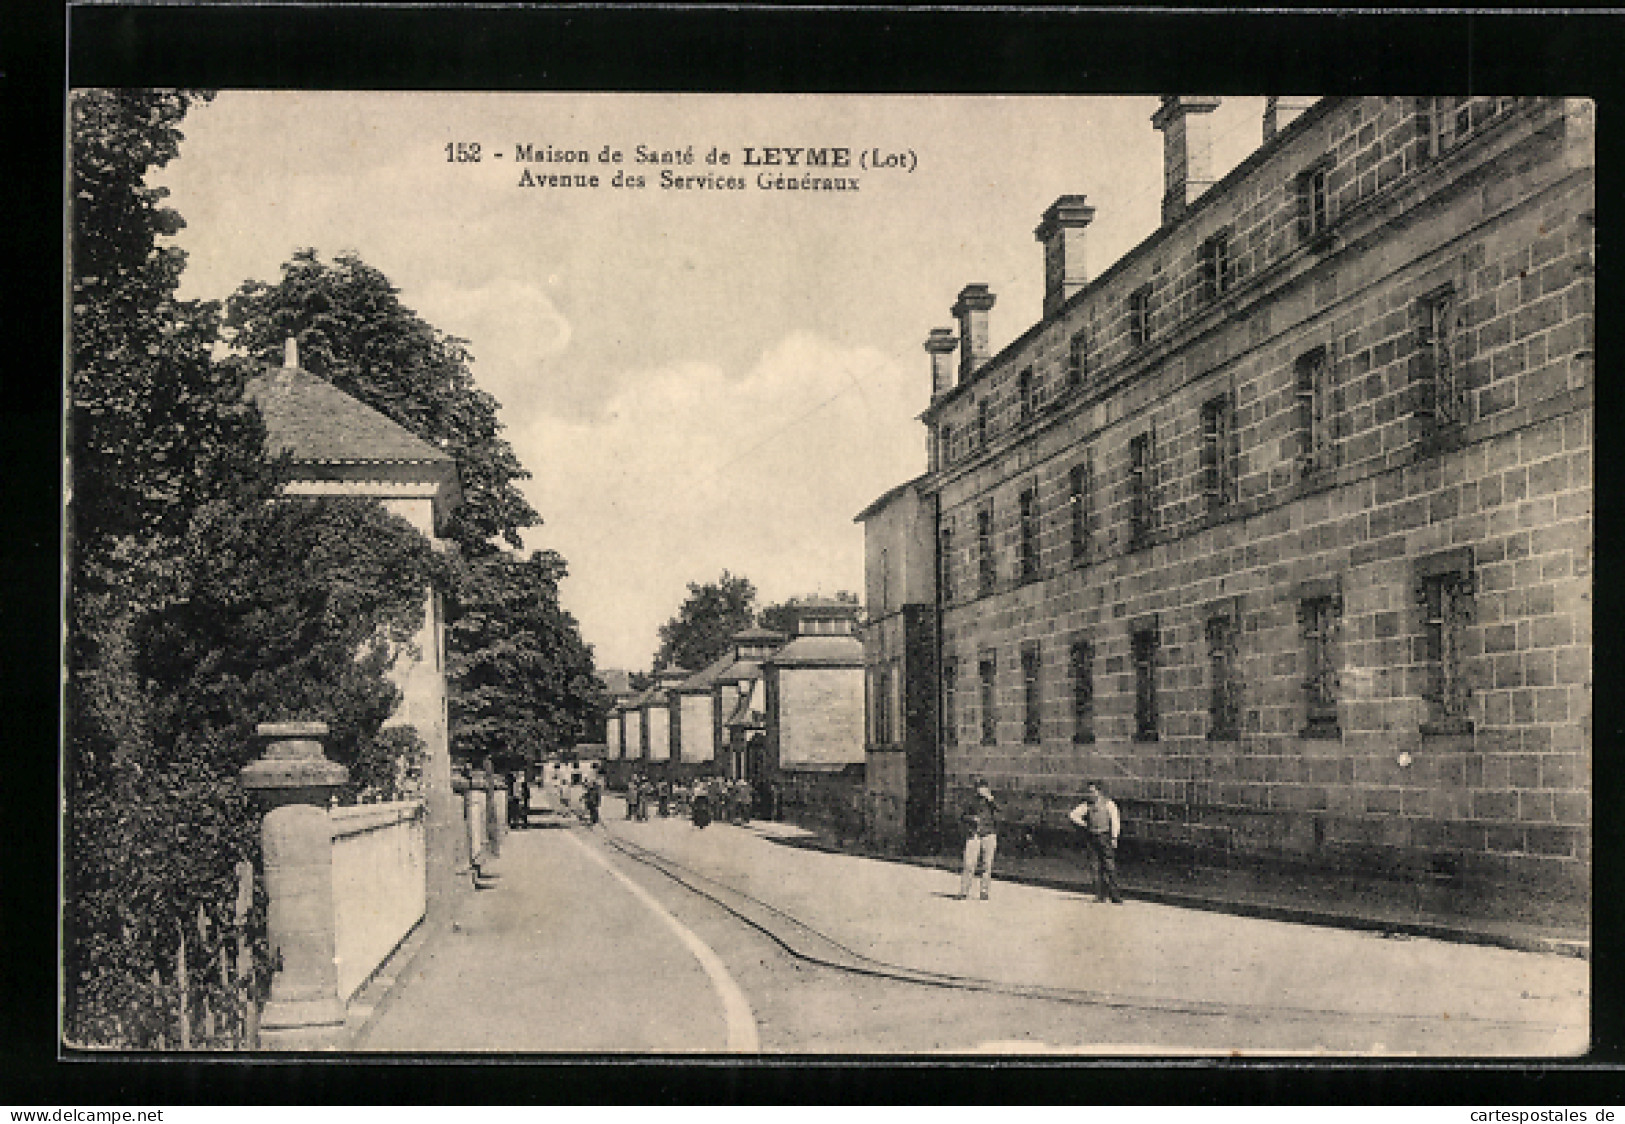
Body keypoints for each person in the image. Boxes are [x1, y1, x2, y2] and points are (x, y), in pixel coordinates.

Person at [1069, 780, 1124, 904]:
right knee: (1095, 866)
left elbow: (1115, 821)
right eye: (1089, 792)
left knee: (1109, 866)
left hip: (1105, 836)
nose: (1090, 794)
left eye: (1092, 791)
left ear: (1099, 791)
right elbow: (1073, 815)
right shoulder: (1087, 805)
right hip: (1092, 837)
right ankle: (1100, 895)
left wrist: (1114, 837)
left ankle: (1114, 895)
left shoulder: (1109, 804)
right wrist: (1085, 824)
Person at [956, 777, 999, 901]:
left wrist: (991, 800)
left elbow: (1002, 811)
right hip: (974, 834)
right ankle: (964, 891)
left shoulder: (992, 801)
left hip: (989, 834)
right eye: (979, 787)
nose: (982, 790)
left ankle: (984, 891)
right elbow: (963, 816)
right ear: (976, 789)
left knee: (987, 864)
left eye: (984, 787)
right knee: (969, 864)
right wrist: (972, 819)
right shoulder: (971, 802)